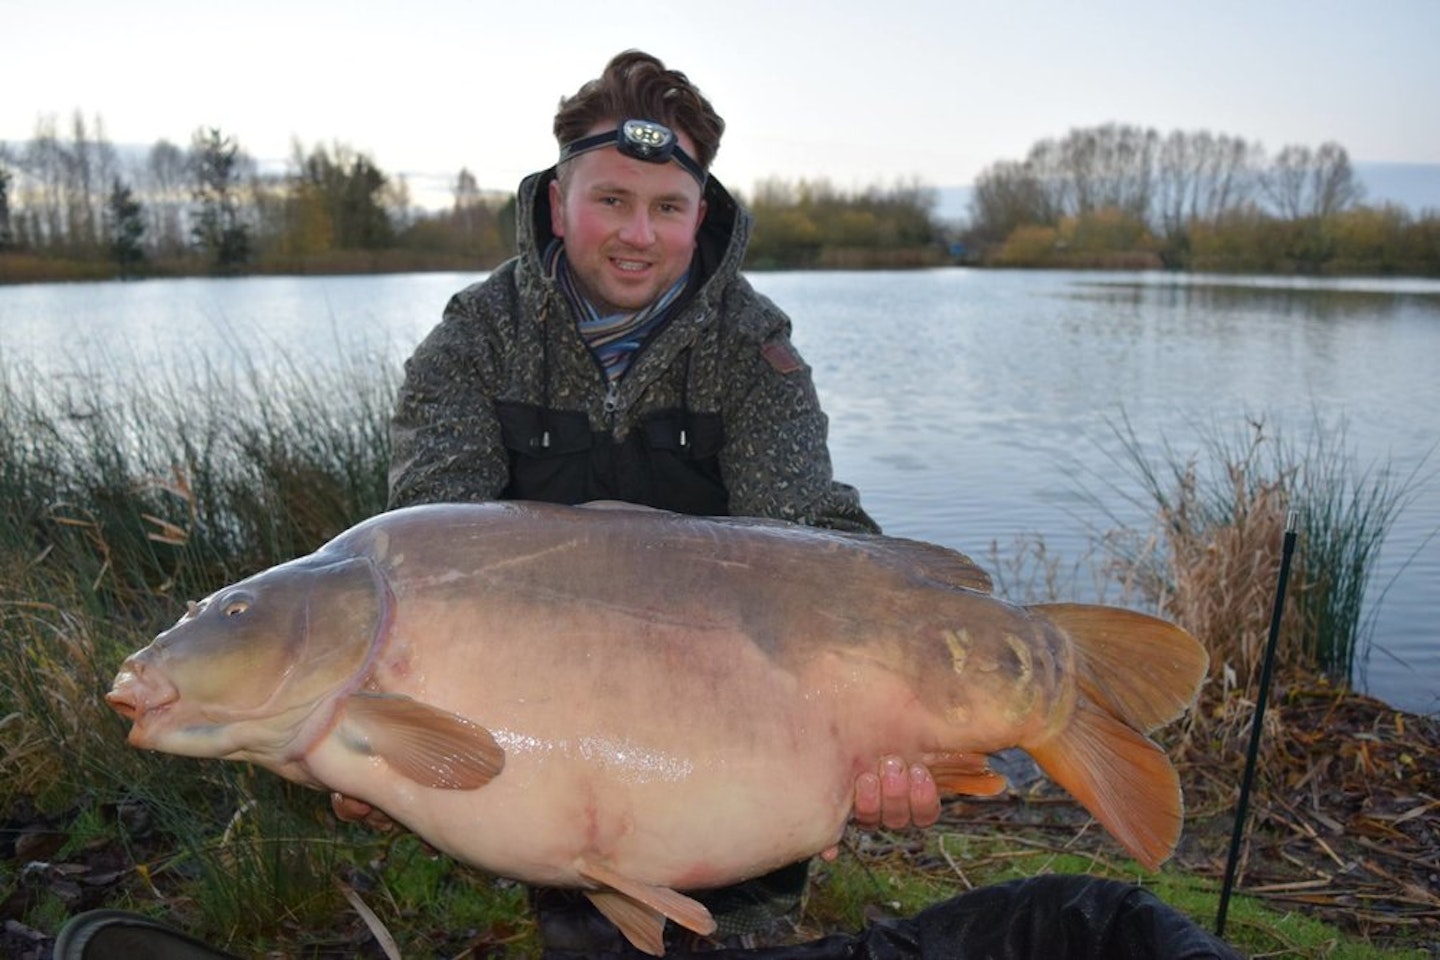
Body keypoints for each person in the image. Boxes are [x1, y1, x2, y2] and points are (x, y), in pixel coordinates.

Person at [327, 49, 940, 956]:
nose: (637, 235)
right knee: (579, 917)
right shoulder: (474, 342)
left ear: (702, 216)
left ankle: (741, 913)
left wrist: (908, 688)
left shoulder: (752, 350)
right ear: (557, 203)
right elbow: (428, 561)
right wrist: (385, 742)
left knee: (732, 923)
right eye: (611, 200)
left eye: (666, 208)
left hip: (734, 723)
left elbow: (809, 534)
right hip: (546, 724)